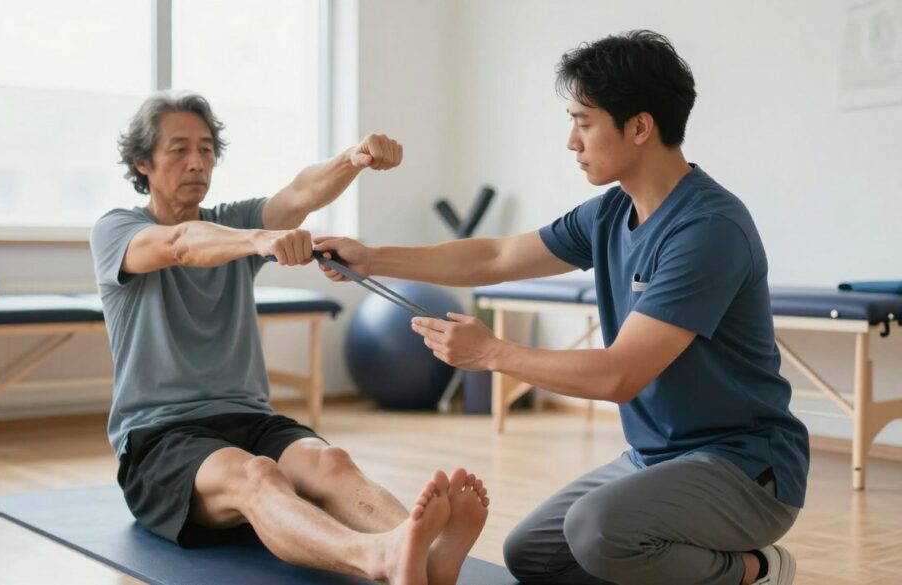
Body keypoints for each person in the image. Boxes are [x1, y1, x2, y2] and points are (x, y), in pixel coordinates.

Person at [316, 30, 808, 585]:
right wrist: (373, 256)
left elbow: (619, 375)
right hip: (656, 459)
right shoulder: (610, 213)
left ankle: (756, 572)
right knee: (535, 554)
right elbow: (497, 256)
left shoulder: (707, 230)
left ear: (640, 127)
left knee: (599, 531)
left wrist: (493, 353)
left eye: (584, 121)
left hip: (745, 469)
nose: (572, 141)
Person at [90, 90, 489, 585]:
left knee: (331, 464)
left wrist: (353, 159)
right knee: (257, 476)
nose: (197, 161)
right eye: (178, 149)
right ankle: (378, 558)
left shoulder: (234, 221)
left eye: (207, 149)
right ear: (141, 162)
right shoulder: (117, 229)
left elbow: (300, 194)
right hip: (161, 437)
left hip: (250, 416)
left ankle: (424, 554)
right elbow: (180, 244)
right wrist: (260, 240)